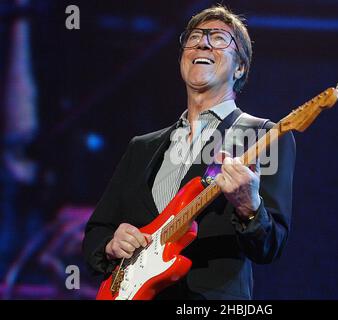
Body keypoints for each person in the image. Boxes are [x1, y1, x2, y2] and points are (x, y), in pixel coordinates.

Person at [82, 5, 296, 300]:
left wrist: (249, 207)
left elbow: (270, 245)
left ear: (240, 67)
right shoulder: (142, 147)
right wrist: (110, 243)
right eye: (194, 37)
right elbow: (96, 230)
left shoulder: (261, 136)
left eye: (219, 38)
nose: (203, 42)